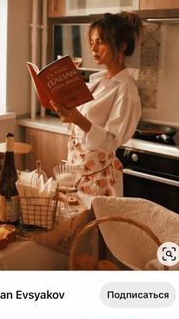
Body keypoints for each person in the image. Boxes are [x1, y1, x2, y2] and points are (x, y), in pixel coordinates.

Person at [51, 11, 142, 196]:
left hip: (99, 181)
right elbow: (82, 124)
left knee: (92, 225)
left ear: (122, 46)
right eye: (92, 42)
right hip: (75, 172)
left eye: (100, 41)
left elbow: (110, 142)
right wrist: (66, 111)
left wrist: (77, 119)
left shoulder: (126, 91)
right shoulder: (97, 81)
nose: (93, 48)